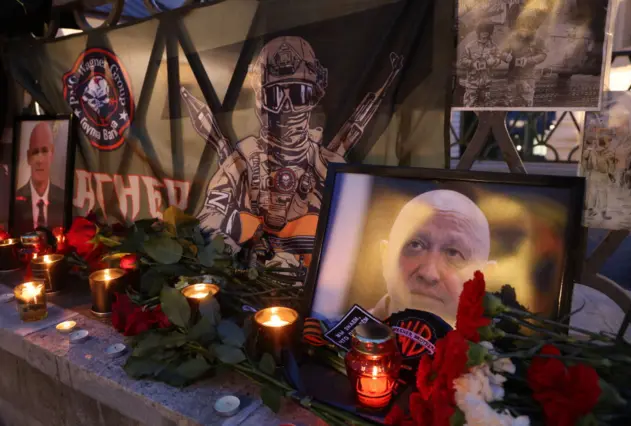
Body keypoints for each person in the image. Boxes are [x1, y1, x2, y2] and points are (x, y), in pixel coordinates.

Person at [192, 37, 402, 271]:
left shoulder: (330, 167)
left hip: (313, 283)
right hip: (249, 281)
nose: (287, 108)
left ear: (314, 96)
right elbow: (209, 217)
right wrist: (233, 246)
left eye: (298, 94)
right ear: (261, 100)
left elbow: (360, 236)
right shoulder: (242, 162)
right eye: (275, 96)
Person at [371, 190, 491, 326]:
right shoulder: (351, 334)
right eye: (415, 245)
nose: (429, 274)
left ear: (483, 279)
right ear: (385, 257)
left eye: (453, 253)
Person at [13, 122, 65, 234]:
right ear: (28, 157)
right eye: (35, 152)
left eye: (45, 151)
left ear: (52, 154)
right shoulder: (15, 203)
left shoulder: (64, 200)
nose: (40, 160)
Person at [504, 16, 547, 107]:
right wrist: (505, 56)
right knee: (510, 103)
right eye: (522, 26)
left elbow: (543, 55)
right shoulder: (512, 38)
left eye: (527, 27)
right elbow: (503, 51)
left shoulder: (537, 40)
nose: (524, 29)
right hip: (513, 76)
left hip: (528, 78)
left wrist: (528, 60)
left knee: (527, 103)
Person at [460, 22, 504, 107]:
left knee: (485, 107)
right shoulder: (470, 46)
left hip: (486, 84)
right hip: (472, 84)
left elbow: (499, 59)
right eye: (482, 31)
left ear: (490, 32)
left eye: (487, 31)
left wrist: (493, 61)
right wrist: (472, 63)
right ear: (479, 32)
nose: (484, 33)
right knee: (469, 106)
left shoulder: (494, 47)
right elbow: (462, 60)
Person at [582, 134, 617, 220]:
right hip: (603, 175)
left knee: (592, 193)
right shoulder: (609, 153)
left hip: (593, 174)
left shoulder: (592, 151)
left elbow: (588, 163)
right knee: (603, 193)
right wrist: (612, 175)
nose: (610, 144)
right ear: (605, 143)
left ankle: (590, 211)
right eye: (609, 142)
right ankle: (603, 213)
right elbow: (611, 166)